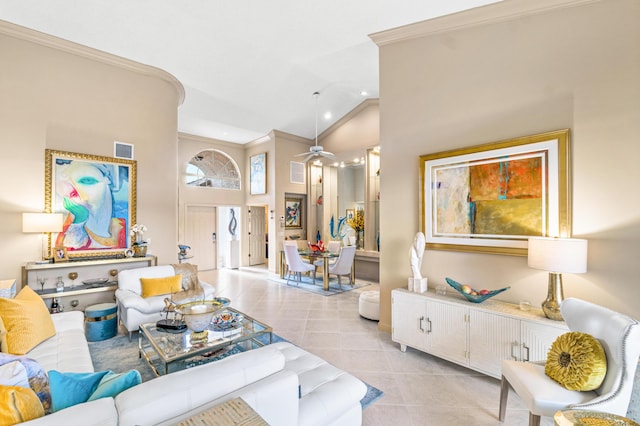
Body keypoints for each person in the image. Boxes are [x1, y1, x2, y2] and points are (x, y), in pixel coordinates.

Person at [55, 161, 127, 250]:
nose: (74, 192)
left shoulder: (121, 226)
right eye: (70, 184)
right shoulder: (70, 228)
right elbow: (63, 253)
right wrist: (79, 220)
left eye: (87, 180)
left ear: (107, 185)